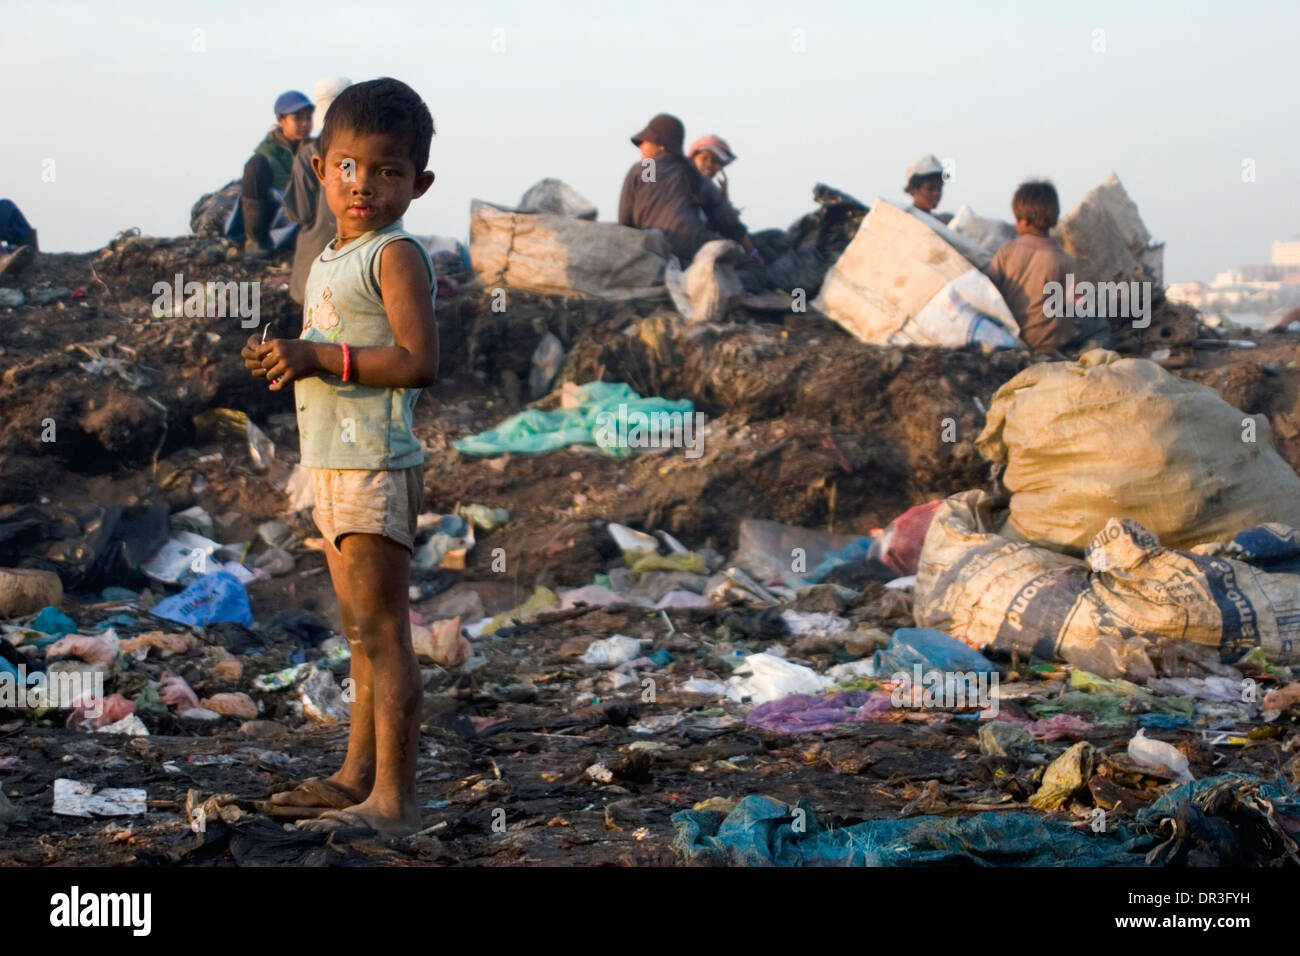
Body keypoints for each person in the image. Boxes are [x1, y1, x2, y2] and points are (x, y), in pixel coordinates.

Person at [242, 77, 438, 838]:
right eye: (350, 167)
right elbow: (328, 348)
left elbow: (417, 360)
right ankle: (356, 776)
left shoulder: (393, 256)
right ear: (320, 167)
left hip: (373, 465)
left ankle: (395, 800)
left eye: (389, 171)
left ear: (418, 184)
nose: (365, 185)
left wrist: (318, 355)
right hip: (330, 462)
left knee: (384, 634)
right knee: (357, 631)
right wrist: (285, 359)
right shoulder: (328, 253)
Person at [618, 114, 756, 265]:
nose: (642, 147)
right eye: (705, 159)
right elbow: (727, 221)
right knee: (747, 266)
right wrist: (752, 253)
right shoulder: (688, 172)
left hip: (654, 246)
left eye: (645, 142)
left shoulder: (647, 167)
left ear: (661, 145)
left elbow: (626, 222)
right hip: (691, 246)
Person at [988, 180, 1108, 353]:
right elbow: (1079, 303)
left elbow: (988, 288)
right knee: (1099, 327)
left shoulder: (1006, 252)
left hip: (1013, 336)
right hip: (1049, 342)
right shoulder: (1064, 260)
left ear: (1024, 221)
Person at [284, 77, 352, 305]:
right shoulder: (356, 155)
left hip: (314, 262)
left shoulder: (308, 154)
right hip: (352, 256)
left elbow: (299, 212)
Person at [241, 90, 314, 254]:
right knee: (255, 167)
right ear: (280, 120)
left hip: (300, 213)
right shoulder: (268, 152)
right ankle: (255, 242)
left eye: (308, 118)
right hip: (275, 210)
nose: (304, 124)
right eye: (298, 118)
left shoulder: (313, 148)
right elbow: (285, 184)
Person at [904, 154, 952, 224]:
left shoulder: (944, 221)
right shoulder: (903, 220)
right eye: (930, 188)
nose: (936, 193)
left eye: (939, 188)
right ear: (913, 189)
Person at [0, 199, 37, 277]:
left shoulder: (4, 206)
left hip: (24, 245)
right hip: (13, 248)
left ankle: (4, 259)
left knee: (6, 205)